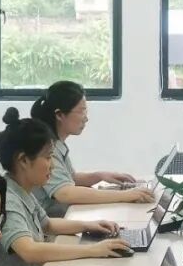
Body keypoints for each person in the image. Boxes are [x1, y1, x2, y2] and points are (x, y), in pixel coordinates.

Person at [0, 108, 134, 266]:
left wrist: (88, 225)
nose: (52, 165)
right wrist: (93, 250)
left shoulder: (21, 189)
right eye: (47, 157)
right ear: (23, 160)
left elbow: (48, 224)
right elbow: (29, 250)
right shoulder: (8, 199)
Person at [29, 80, 153, 216]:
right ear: (59, 115)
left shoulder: (57, 144)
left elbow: (70, 178)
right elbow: (65, 193)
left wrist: (99, 176)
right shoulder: (46, 149)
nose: (86, 118)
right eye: (81, 111)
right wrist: (126, 195)